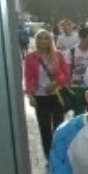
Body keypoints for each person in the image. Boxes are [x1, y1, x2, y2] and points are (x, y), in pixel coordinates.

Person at [23, 29, 70, 157]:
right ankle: (48, 155)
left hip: (56, 95)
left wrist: (55, 83)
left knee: (58, 126)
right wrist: (30, 95)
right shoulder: (30, 57)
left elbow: (66, 74)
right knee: (44, 128)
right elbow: (28, 78)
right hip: (40, 97)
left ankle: (59, 152)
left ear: (50, 40)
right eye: (40, 38)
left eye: (46, 38)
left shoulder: (58, 55)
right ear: (36, 40)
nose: (43, 41)